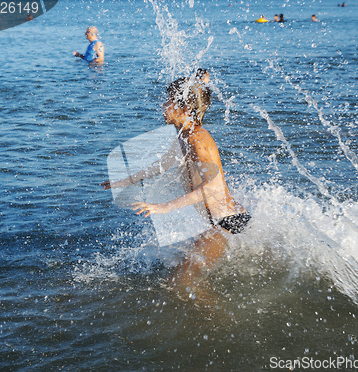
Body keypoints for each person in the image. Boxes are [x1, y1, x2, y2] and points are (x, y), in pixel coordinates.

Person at [103, 71, 250, 292]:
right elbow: (162, 164)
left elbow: (211, 187)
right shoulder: (185, 135)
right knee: (177, 281)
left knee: (183, 283)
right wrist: (124, 181)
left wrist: (162, 208)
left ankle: (223, 324)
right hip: (218, 222)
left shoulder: (198, 139)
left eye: (168, 101)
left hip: (226, 223)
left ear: (184, 109)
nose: (163, 105)